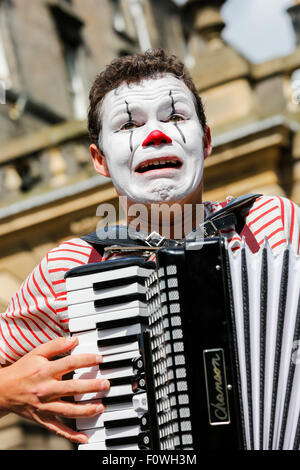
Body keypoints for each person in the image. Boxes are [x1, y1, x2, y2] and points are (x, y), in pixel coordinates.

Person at [0, 49, 299, 445]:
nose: (155, 135)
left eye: (174, 117)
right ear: (100, 159)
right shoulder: (69, 268)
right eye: (128, 124)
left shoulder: (273, 223)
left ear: (205, 141)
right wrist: (5, 390)